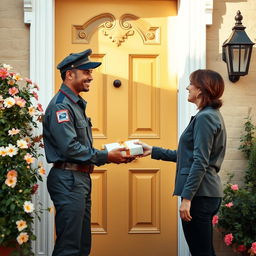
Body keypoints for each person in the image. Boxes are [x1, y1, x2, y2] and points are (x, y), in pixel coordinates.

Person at [43, 49, 135, 256]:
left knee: (82, 245)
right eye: (86, 72)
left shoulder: (75, 104)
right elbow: (70, 148)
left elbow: (77, 146)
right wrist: (107, 156)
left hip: (78, 178)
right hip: (68, 179)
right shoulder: (61, 107)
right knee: (69, 247)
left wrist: (109, 152)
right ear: (70, 74)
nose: (90, 77)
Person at [138, 69, 226, 256]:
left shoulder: (206, 117)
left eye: (191, 83)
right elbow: (190, 156)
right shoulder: (208, 115)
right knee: (203, 250)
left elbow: (200, 161)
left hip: (199, 195)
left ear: (201, 89)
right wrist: (152, 150)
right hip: (203, 194)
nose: (187, 87)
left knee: (200, 252)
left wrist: (187, 198)